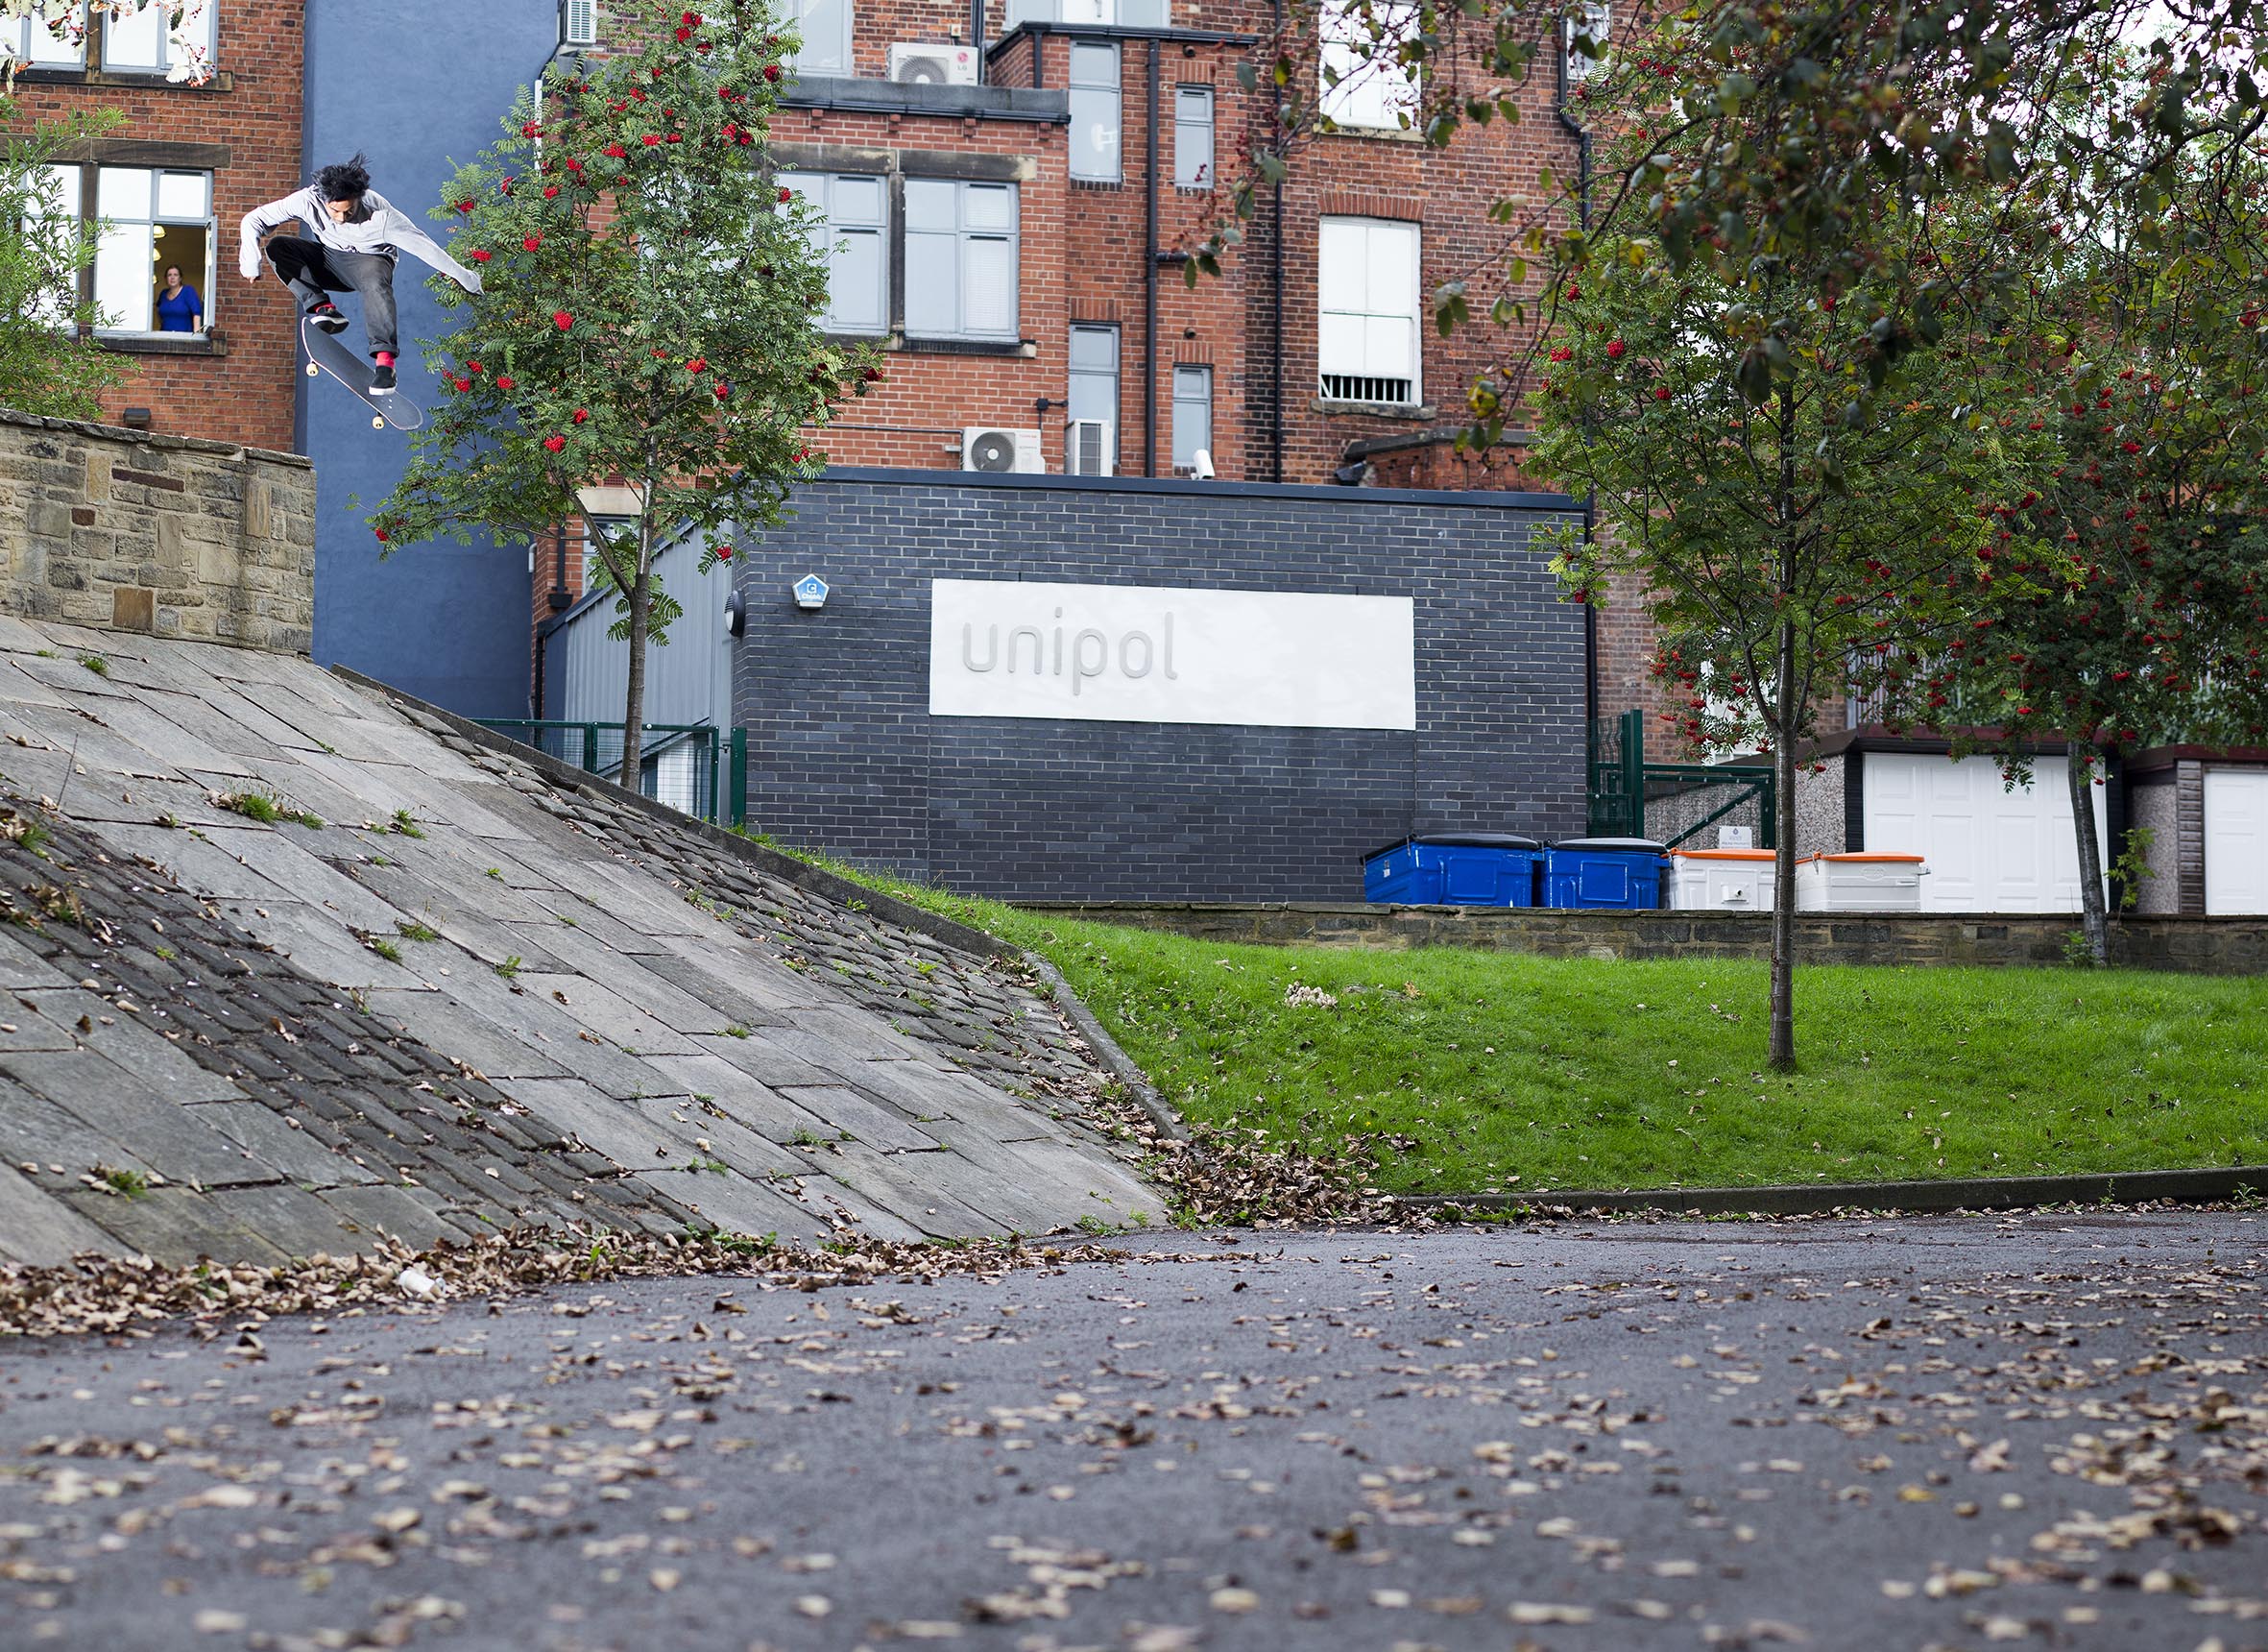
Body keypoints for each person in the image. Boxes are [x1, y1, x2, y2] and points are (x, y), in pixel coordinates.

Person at [237, 153, 481, 394]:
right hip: (330, 259)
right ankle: (322, 309)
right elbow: (253, 220)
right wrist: (250, 262)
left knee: (374, 280)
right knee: (279, 247)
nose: (342, 218)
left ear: (359, 199)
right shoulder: (305, 199)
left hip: (371, 261)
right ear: (323, 200)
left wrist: (467, 279)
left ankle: (385, 366)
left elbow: (427, 249)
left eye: (349, 211)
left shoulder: (382, 216)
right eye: (335, 211)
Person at [155, 263, 203, 333]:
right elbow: (157, 309)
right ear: (166, 278)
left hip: (184, 338)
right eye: (169, 275)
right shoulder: (163, 293)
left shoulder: (188, 291)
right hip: (165, 336)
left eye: (175, 275)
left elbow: (197, 314)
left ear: (180, 278)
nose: (172, 277)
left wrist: (197, 336)